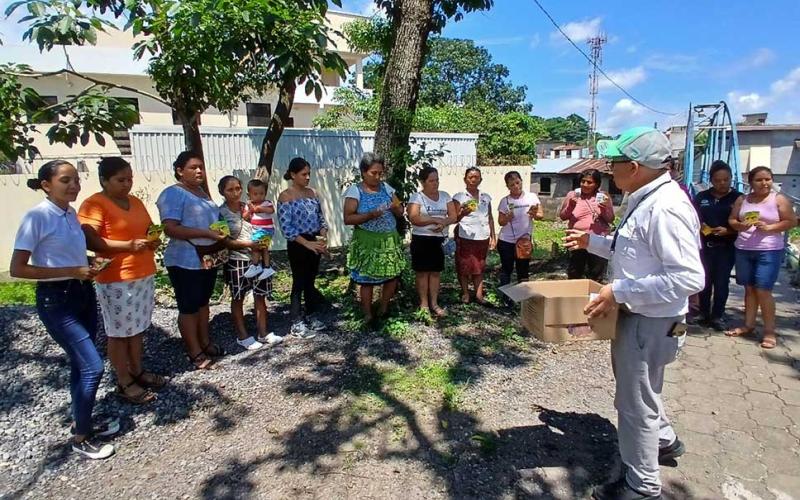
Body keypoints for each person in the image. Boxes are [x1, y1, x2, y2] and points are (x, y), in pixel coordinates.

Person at [565, 127, 705, 500]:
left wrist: (618, 291)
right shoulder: (645, 198)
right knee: (645, 390)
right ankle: (664, 440)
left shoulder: (666, 207)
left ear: (636, 166)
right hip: (647, 319)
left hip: (649, 321)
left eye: (614, 163)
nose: (610, 170)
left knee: (634, 404)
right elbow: (635, 251)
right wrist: (592, 241)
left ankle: (641, 486)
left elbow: (688, 278)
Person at [10, 160, 120, 459]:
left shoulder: (70, 213)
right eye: (65, 180)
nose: (74, 185)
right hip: (56, 299)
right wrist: (73, 270)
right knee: (94, 366)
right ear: (46, 184)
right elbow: (18, 268)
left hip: (81, 293)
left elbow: (64, 254)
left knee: (78, 365)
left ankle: (82, 421)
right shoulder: (38, 216)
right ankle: (81, 437)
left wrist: (88, 264)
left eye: (76, 180)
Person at [78, 157, 165, 405]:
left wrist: (153, 239)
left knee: (138, 327)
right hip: (116, 277)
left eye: (129, 179)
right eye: (120, 180)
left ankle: (137, 369)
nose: (126, 184)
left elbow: (149, 228)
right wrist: (127, 245)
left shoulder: (135, 202)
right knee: (118, 331)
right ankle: (123, 380)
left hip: (143, 271)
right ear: (104, 180)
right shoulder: (94, 204)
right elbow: (91, 240)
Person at [156, 151, 227, 370]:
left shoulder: (201, 192)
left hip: (206, 257)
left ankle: (205, 341)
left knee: (203, 302)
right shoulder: (173, 194)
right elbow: (170, 228)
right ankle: (194, 350)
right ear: (180, 171)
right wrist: (206, 233)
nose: (199, 171)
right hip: (185, 259)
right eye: (193, 167)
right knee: (189, 306)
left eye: (201, 167)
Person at [725, 166, 796, 348]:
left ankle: (769, 332)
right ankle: (748, 325)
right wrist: (739, 226)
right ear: (751, 183)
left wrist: (770, 228)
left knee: (763, 290)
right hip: (743, 248)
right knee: (749, 289)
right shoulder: (743, 199)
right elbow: (732, 219)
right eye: (759, 180)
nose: (765, 183)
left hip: (769, 250)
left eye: (768, 179)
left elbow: (791, 221)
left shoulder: (778, 199)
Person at [218, 176, 284, 350]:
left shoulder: (249, 206)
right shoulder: (220, 213)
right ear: (222, 192)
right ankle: (242, 335)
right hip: (237, 259)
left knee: (260, 294)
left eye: (238, 188)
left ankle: (263, 332)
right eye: (230, 190)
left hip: (258, 257)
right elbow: (222, 240)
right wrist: (249, 244)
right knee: (238, 296)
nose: (235, 193)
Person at [343, 153, 406, 325]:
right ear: (363, 172)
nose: (377, 177)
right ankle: (367, 314)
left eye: (380, 173)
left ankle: (384, 308)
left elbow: (400, 212)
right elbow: (348, 218)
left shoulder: (387, 188)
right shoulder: (355, 191)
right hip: (367, 240)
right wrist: (370, 215)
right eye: (373, 173)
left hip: (388, 240)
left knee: (392, 276)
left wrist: (395, 208)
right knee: (366, 279)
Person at [277, 157, 329, 339]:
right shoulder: (285, 196)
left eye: (309, 174)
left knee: (310, 279)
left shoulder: (313, 193)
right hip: (298, 243)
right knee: (299, 281)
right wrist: (307, 243)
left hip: (315, 239)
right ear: (293, 175)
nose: (307, 177)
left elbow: (320, 218)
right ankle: (296, 320)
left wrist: (323, 236)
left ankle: (311, 314)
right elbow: (286, 227)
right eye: (303, 174)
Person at [693, 160, 742, 331]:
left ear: (731, 179)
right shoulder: (702, 197)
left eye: (726, 179)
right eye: (718, 180)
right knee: (704, 281)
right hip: (705, 246)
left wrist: (729, 231)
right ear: (711, 180)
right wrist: (701, 227)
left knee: (722, 282)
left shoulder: (738, 198)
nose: (722, 183)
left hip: (726, 247)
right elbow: (693, 217)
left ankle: (718, 315)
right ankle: (703, 313)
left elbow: (744, 223)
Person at [407, 166, 457, 317]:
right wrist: (434, 219)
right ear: (423, 182)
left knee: (435, 272)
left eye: (437, 180)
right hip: (421, 239)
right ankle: (424, 304)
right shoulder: (416, 197)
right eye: (431, 181)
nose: (435, 184)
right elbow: (414, 218)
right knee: (422, 272)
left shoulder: (445, 196)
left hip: (439, 240)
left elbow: (453, 216)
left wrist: (444, 222)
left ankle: (434, 303)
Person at [558, 168, 615, 281]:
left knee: (596, 273)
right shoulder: (573, 195)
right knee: (575, 272)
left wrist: (604, 209)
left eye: (589, 182)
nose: (585, 184)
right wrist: (571, 205)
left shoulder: (603, 196)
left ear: (596, 184)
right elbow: (563, 216)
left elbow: (610, 219)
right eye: (583, 181)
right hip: (577, 239)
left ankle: (594, 297)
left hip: (597, 239)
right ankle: (574, 296)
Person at [452, 167, 496, 304]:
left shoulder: (486, 197)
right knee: (464, 266)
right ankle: (465, 293)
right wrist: (463, 213)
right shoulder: (459, 197)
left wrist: (493, 237)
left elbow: (490, 217)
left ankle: (479, 295)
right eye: (470, 177)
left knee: (479, 266)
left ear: (480, 179)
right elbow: (454, 218)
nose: (473, 179)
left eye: (476, 177)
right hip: (465, 235)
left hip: (483, 236)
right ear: (465, 179)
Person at [497, 171, 543, 294]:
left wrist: (534, 214)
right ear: (507, 186)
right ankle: (506, 297)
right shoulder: (505, 201)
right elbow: (500, 222)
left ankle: (523, 297)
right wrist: (507, 217)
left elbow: (540, 215)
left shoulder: (532, 197)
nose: (516, 186)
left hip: (524, 241)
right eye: (512, 185)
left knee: (523, 270)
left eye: (517, 183)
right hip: (506, 241)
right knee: (507, 269)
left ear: (521, 181)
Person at [242, 179, 276, 281]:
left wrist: (260, 209)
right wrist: (250, 211)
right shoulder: (249, 205)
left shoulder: (266, 203)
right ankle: (267, 267)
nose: (259, 196)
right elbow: (244, 216)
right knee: (264, 248)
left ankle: (255, 265)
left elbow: (271, 210)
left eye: (262, 193)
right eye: (255, 194)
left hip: (265, 230)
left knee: (255, 247)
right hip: (256, 230)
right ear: (249, 195)